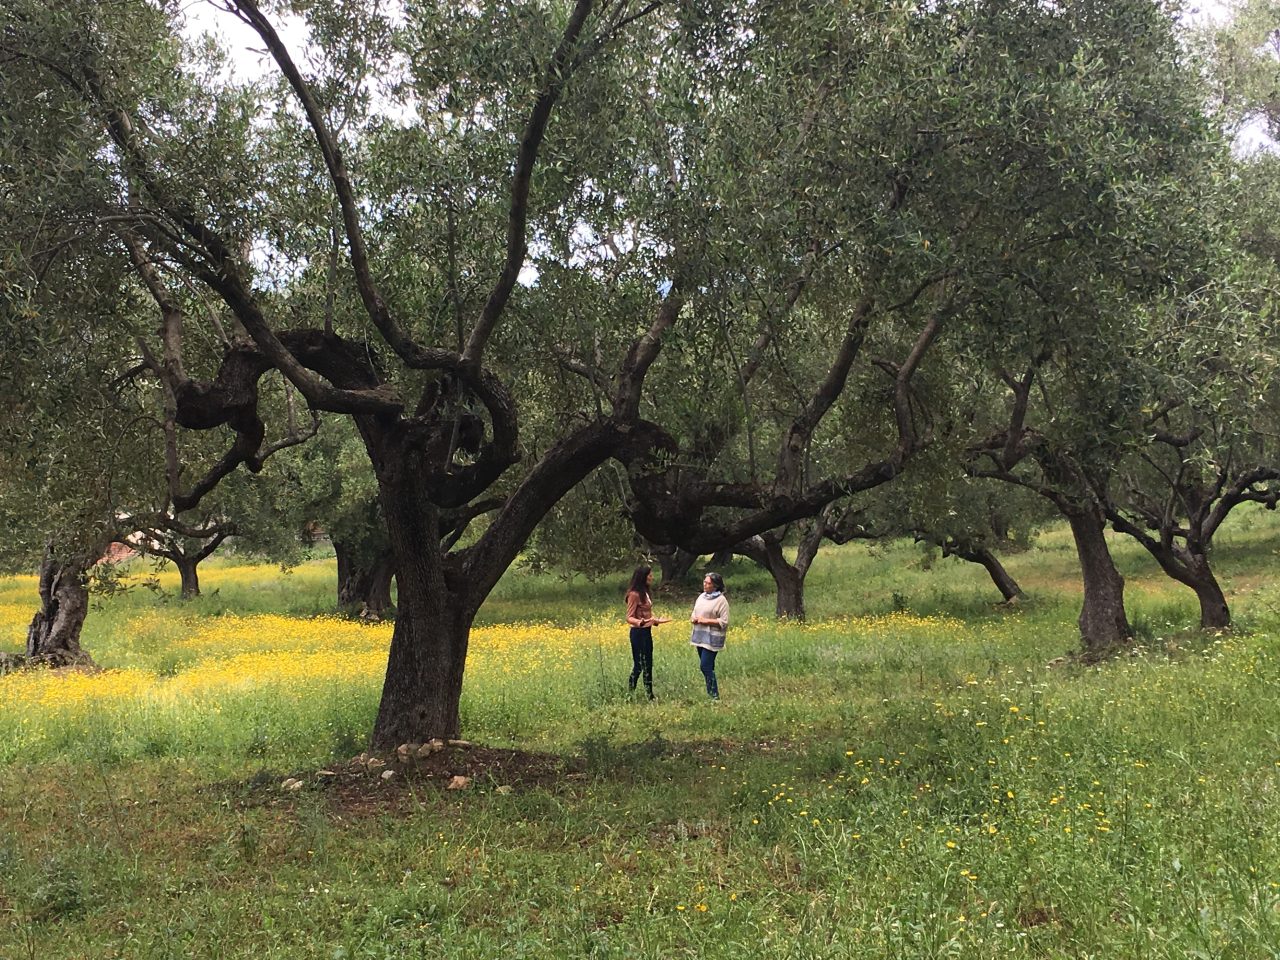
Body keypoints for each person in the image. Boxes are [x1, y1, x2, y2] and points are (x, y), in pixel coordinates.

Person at [624, 565, 669, 699]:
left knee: (648, 663)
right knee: (639, 664)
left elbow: (647, 615)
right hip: (638, 633)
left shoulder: (646, 593)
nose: (652, 577)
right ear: (643, 577)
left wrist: (655, 621)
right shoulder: (634, 595)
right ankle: (630, 691)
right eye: (649, 575)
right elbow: (629, 617)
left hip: (646, 632)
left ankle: (650, 694)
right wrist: (641, 622)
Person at [690, 572, 729, 700]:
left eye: (708, 583)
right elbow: (694, 612)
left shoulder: (721, 601)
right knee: (708, 667)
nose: (705, 585)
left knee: (705, 666)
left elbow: (724, 622)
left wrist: (705, 621)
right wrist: (694, 619)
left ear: (715, 586)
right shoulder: (701, 597)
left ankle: (714, 696)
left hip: (713, 638)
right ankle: (711, 693)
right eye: (704, 582)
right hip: (700, 637)